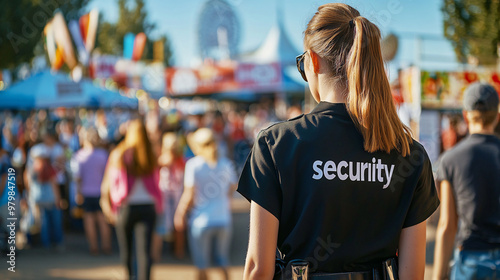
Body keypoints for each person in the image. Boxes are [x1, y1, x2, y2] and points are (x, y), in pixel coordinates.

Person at [237, 3, 440, 279]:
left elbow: (258, 269)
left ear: (313, 60)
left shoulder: (275, 144)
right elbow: (413, 273)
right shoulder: (410, 153)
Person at [433, 82, 500, 280]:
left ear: (465, 115)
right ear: (497, 116)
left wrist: (438, 276)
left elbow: (447, 225)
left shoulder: (450, 160)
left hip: (470, 262)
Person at [100, 119, 163, 280]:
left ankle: (129, 276)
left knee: (127, 251)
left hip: (127, 206)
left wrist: (110, 205)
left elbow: (111, 182)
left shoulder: (120, 153)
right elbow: (157, 180)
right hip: (148, 205)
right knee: (145, 252)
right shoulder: (151, 154)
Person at [174, 128, 238, 280]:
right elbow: (232, 187)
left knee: (201, 264)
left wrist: (180, 213)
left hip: (200, 221)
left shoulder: (193, 165)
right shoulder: (226, 164)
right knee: (222, 259)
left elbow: (189, 195)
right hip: (223, 219)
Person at [71, 127, 111, 255]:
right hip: (102, 192)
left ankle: (93, 247)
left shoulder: (79, 156)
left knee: (89, 221)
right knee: (102, 220)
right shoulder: (103, 155)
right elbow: (108, 175)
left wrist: (78, 193)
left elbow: (77, 178)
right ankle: (106, 246)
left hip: (86, 192)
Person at [152, 132, 186, 261]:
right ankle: (178, 251)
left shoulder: (162, 159)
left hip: (165, 194)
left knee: (162, 225)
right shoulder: (180, 160)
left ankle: (157, 254)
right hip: (175, 194)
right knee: (177, 224)